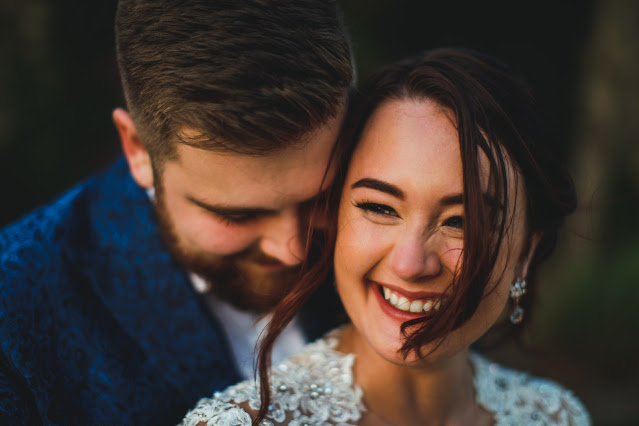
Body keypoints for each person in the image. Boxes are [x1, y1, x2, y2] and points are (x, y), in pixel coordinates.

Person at [180, 48, 591, 425]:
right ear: (334, 215)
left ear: (525, 252)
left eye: (461, 222)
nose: (410, 264)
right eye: (380, 208)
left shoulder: (556, 416)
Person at [0, 0, 353, 424]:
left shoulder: (396, 229)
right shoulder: (14, 321)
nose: (293, 249)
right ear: (137, 150)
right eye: (238, 216)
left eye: (321, 198)